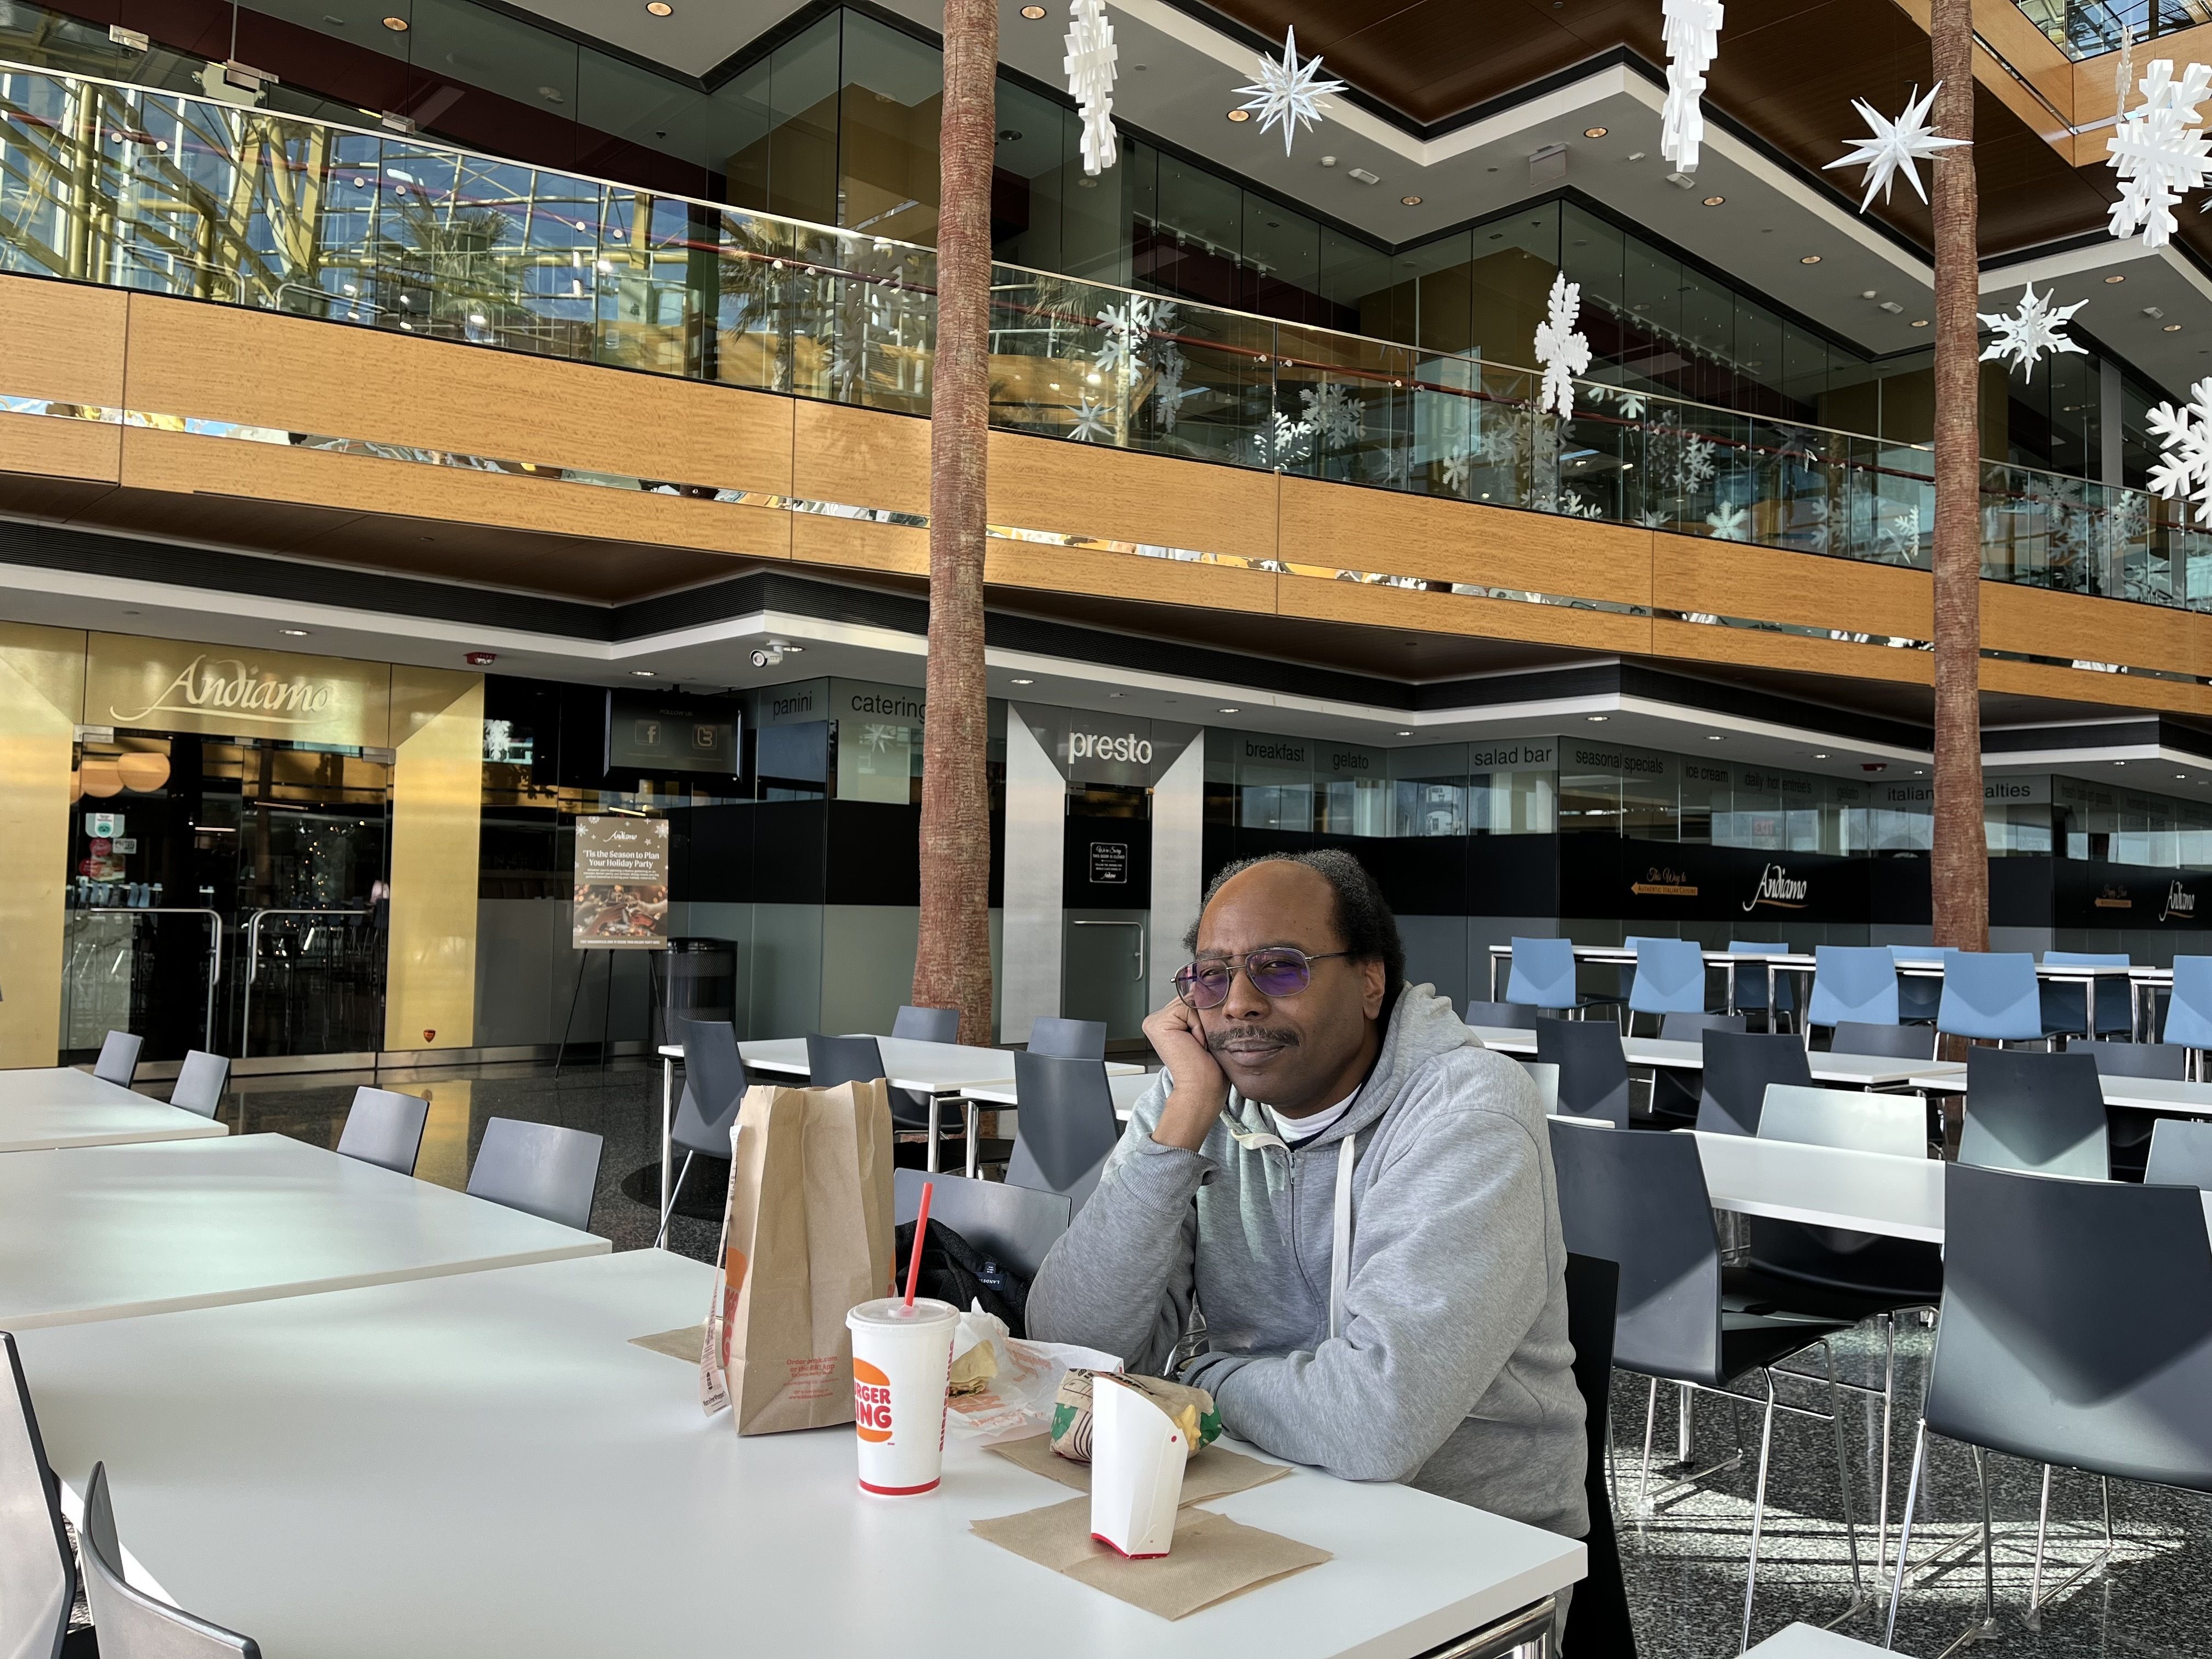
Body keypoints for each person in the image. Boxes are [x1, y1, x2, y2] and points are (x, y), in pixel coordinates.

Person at [1026, 849, 1588, 1544]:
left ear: (1370, 983)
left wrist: (1198, 1385)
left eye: (1281, 967)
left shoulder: (1466, 1112)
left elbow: (1377, 1425)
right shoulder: (1195, 1095)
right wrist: (1181, 1125)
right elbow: (1068, 1349)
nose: (1239, 1002)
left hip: (1465, 1540)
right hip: (1250, 1493)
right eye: (1212, 976)